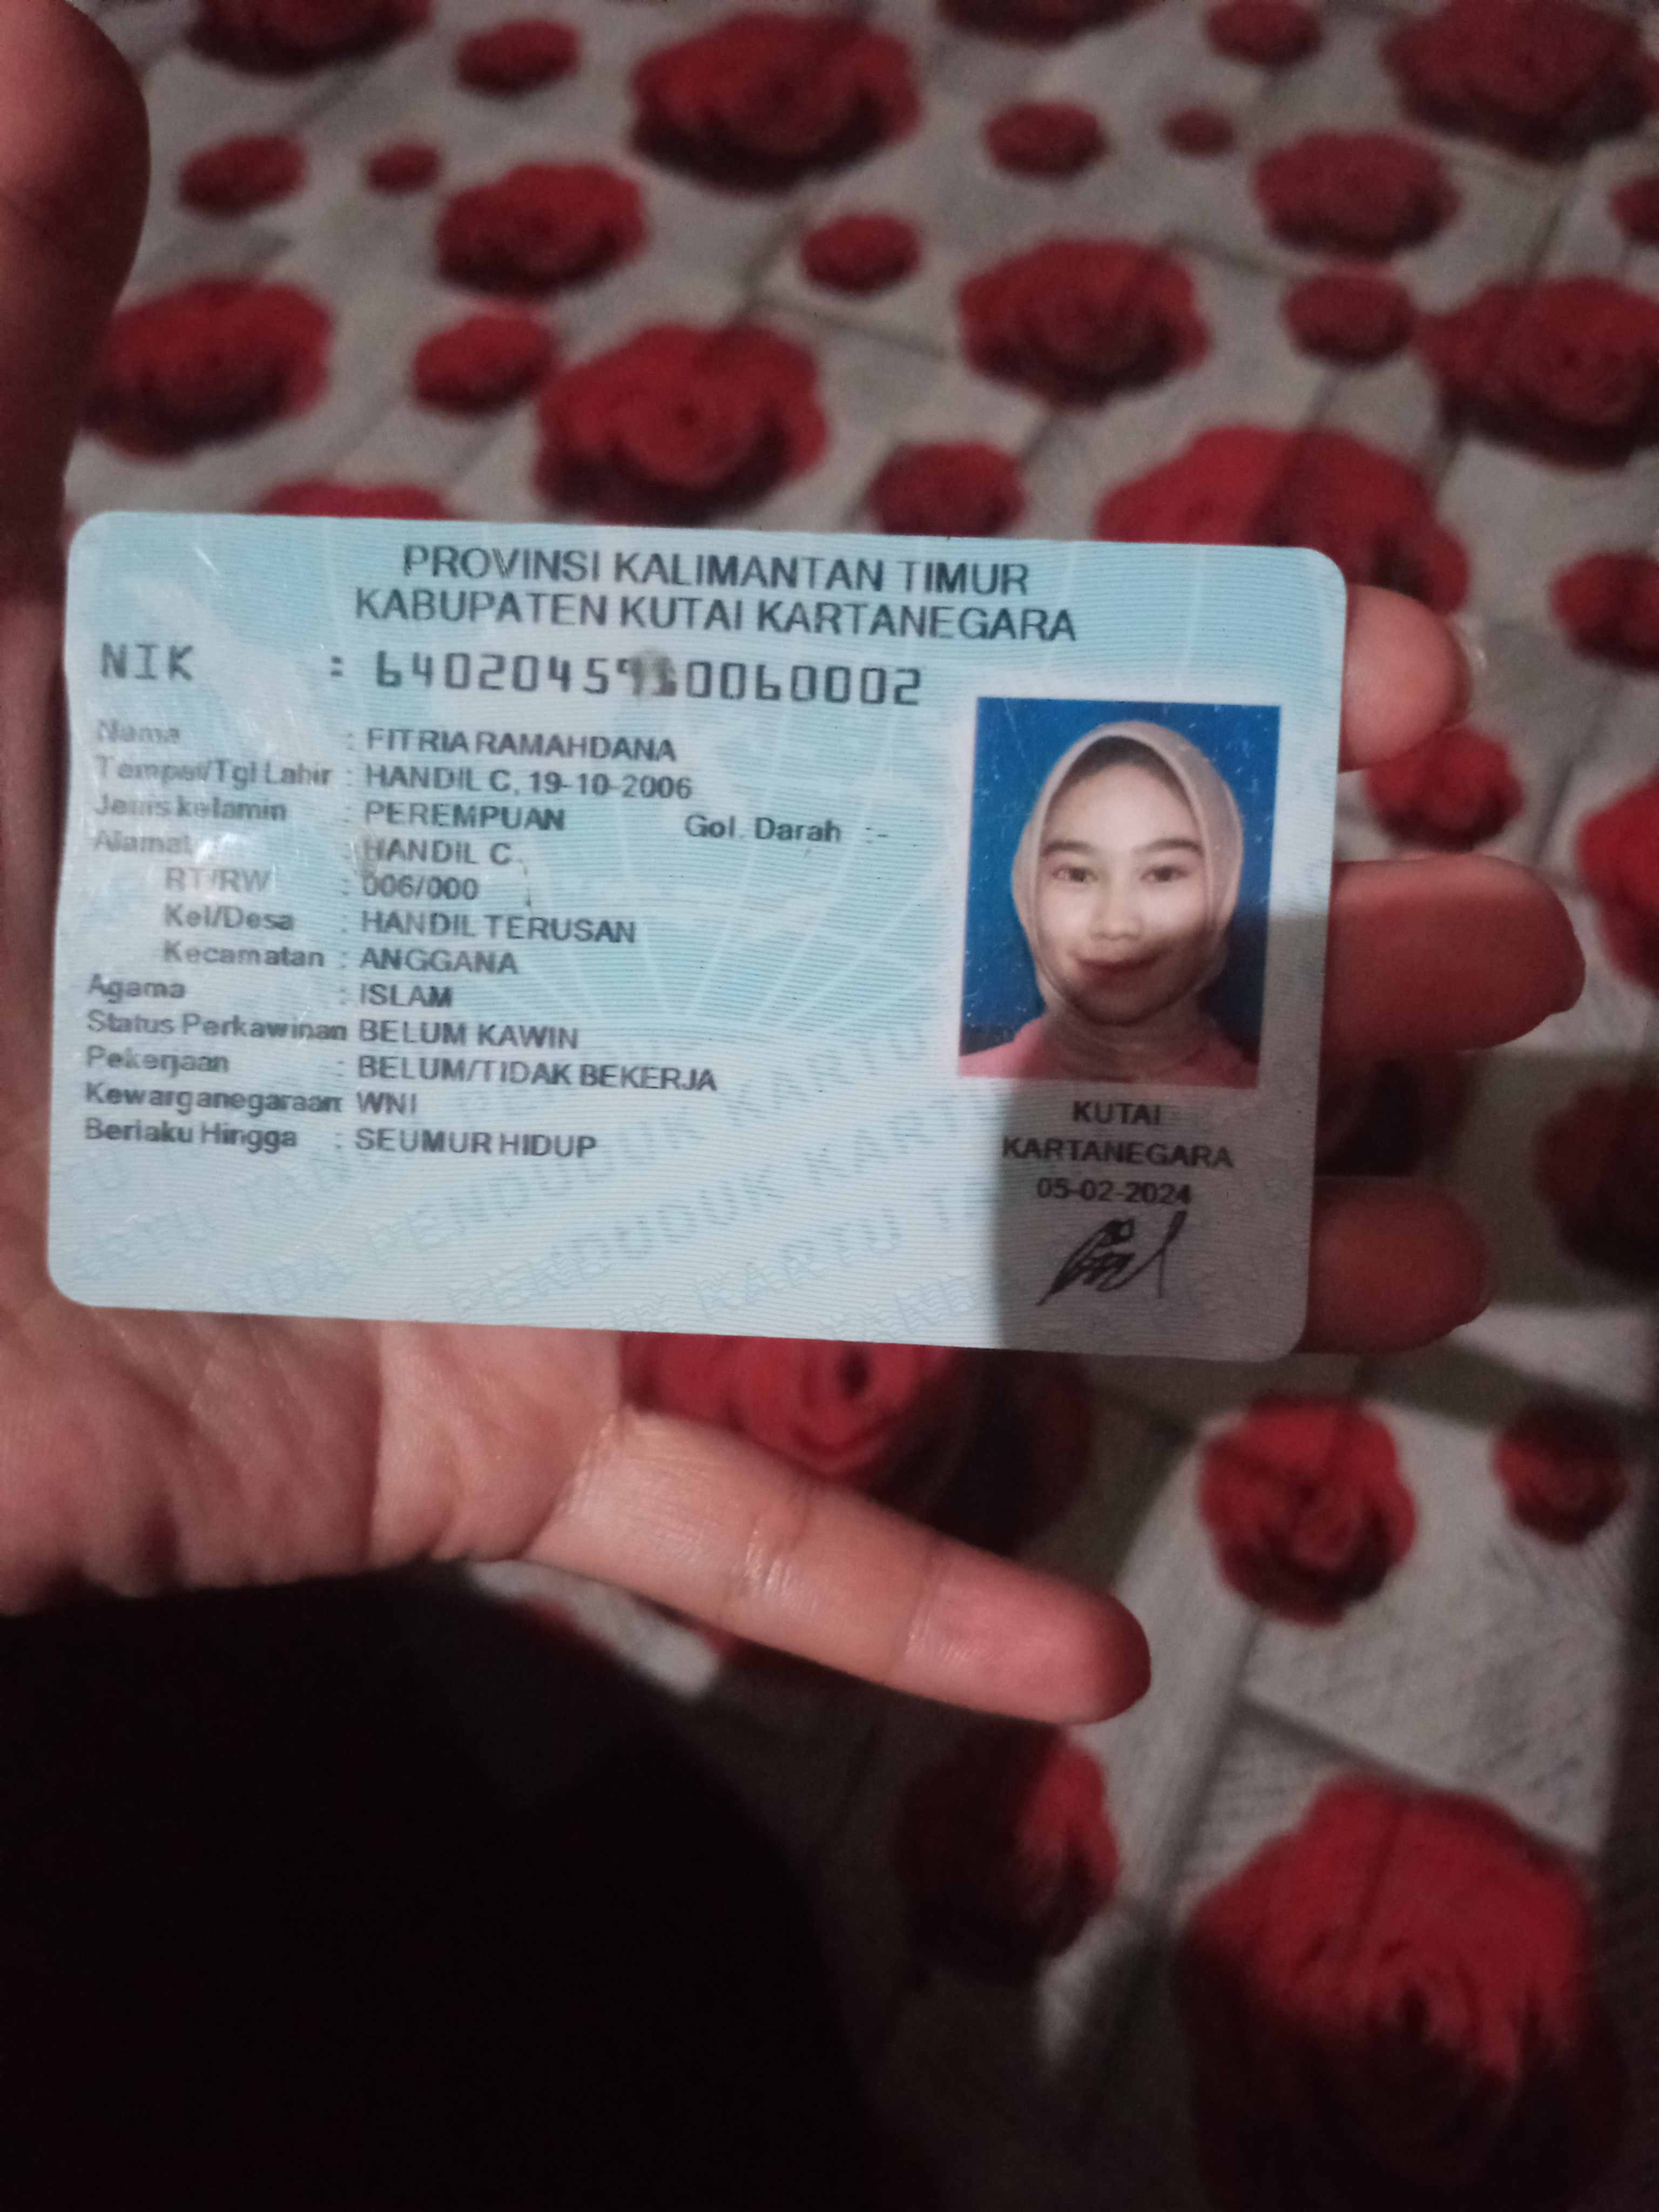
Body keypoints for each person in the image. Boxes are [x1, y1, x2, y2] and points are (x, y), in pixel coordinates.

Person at [0, 0, 1585, 1729]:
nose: (1119, 915)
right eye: (1074, 867)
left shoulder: (1143, 1118)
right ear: (1024, 890)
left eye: (1162, 871)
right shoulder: (978, 1054)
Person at [962, 721, 1255, 1084]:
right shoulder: (950, 1094)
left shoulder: (1291, 1106)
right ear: (1027, 888)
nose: (1116, 925)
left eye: (1163, 874)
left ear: (1223, 889)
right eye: (1078, 875)